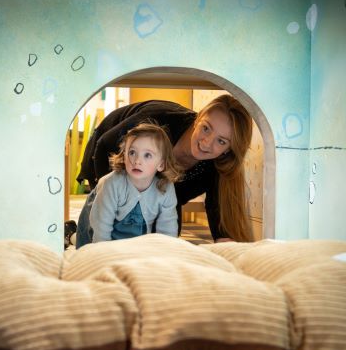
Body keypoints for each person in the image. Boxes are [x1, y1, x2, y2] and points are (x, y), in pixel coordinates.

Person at [77, 94, 254, 243]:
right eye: (206, 128)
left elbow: (217, 209)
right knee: (111, 226)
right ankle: (75, 234)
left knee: (165, 236)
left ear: (228, 150)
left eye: (221, 141)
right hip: (109, 156)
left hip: (158, 186)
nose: (206, 143)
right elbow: (104, 145)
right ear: (198, 118)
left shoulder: (214, 166)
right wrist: (111, 200)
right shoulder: (158, 124)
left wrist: (224, 243)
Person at [75, 122, 181, 248]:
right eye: (132, 152)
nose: (137, 161)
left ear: (161, 164)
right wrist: (102, 253)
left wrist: (165, 253)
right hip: (98, 219)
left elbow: (167, 230)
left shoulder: (165, 188)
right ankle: (72, 235)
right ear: (124, 155)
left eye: (147, 155)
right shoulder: (112, 184)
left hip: (134, 236)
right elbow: (101, 226)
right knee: (87, 250)